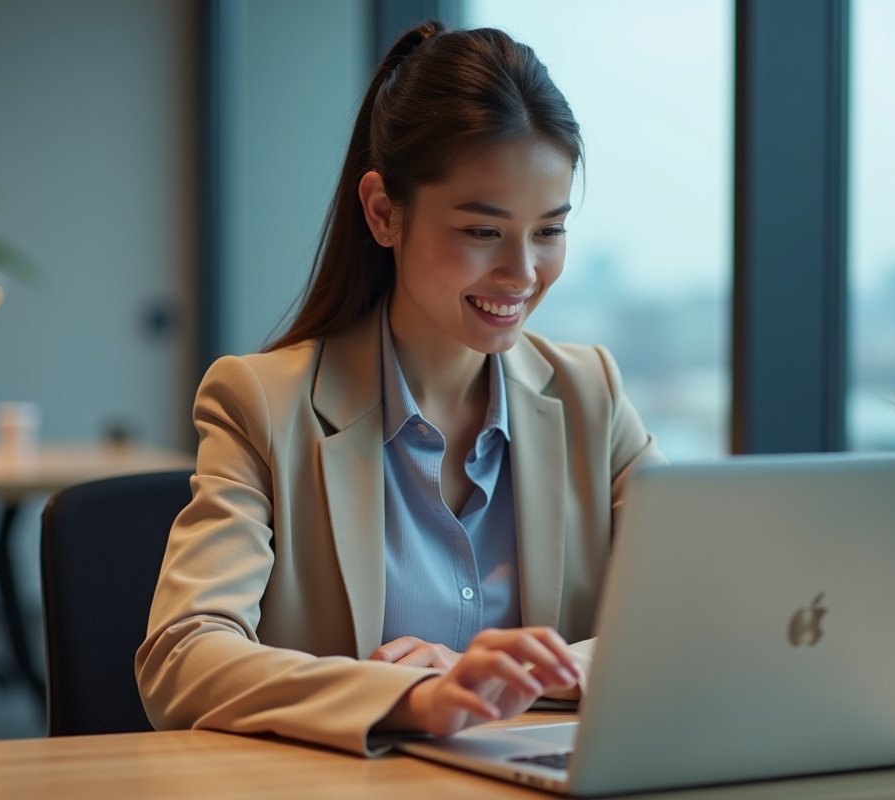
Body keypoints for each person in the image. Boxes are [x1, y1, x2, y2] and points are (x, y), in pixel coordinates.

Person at [135, 21, 665, 756]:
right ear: (384, 212)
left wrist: (530, 674)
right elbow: (182, 655)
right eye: (483, 232)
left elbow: (699, 616)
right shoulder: (261, 405)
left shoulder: (592, 397)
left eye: (548, 231)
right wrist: (414, 698)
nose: (522, 272)